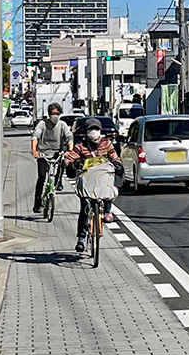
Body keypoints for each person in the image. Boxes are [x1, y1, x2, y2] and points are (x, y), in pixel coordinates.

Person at [63, 117, 123, 253]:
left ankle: (107, 210)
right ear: (86, 132)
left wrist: (118, 164)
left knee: (109, 193)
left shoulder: (107, 144)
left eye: (96, 129)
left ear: (100, 131)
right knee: (85, 206)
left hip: (103, 179)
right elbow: (70, 157)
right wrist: (68, 163)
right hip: (88, 180)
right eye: (90, 130)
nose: (93, 132)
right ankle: (81, 238)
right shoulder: (81, 146)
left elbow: (114, 157)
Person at [31, 103, 73, 212]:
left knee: (62, 164)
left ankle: (58, 183)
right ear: (49, 114)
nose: (55, 116)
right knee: (41, 177)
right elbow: (35, 136)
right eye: (53, 114)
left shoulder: (62, 125)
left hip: (56, 153)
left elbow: (69, 137)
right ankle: (37, 203)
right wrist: (34, 151)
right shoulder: (42, 124)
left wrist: (70, 151)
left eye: (57, 114)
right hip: (43, 153)